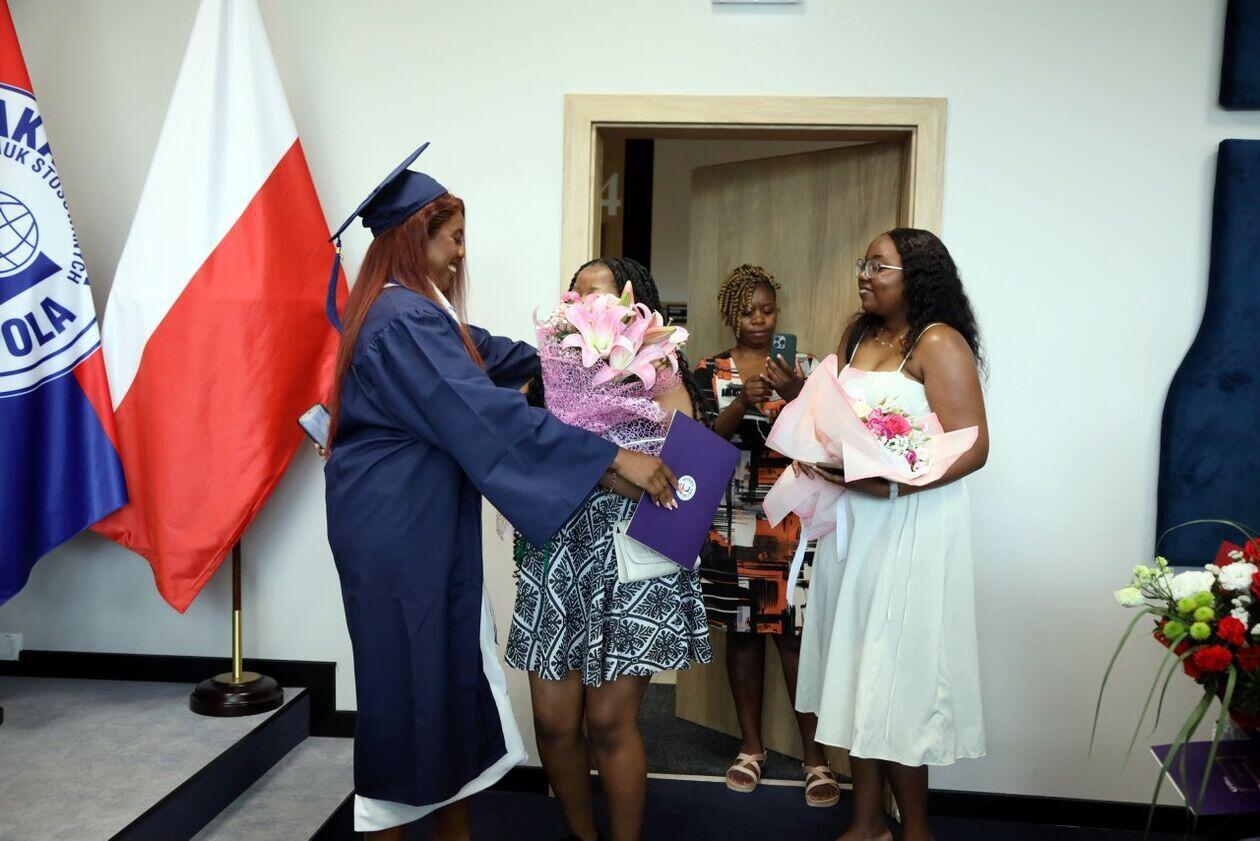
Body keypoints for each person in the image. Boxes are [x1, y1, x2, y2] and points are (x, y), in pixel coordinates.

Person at [323, 147, 678, 841]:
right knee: (407, 687)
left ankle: (447, 821)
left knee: (438, 677)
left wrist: (591, 351)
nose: (462, 254)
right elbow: (485, 415)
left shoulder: (411, 311)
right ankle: (394, 817)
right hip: (400, 529)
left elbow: (498, 356)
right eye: (453, 238)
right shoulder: (401, 319)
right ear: (415, 237)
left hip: (416, 520)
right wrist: (612, 457)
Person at [506, 258, 712, 841]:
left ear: (634, 304)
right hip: (556, 549)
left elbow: (678, 471)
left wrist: (606, 467)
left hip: (631, 550)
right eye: (576, 294)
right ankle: (582, 835)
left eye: (602, 294)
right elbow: (523, 448)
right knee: (552, 721)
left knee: (608, 722)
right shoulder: (545, 368)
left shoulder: (660, 366)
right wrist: (610, 466)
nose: (586, 304)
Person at [794, 228, 988, 841]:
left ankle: (917, 830)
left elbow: (973, 446)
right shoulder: (858, 335)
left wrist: (898, 484)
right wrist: (817, 445)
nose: (865, 274)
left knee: (898, 671)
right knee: (856, 665)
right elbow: (837, 421)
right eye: (864, 263)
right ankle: (867, 821)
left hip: (909, 523)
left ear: (916, 277)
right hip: (854, 523)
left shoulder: (939, 341)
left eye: (879, 266)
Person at [693, 264, 839, 807]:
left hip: (794, 518)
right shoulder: (708, 370)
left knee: (795, 636)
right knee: (744, 633)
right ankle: (751, 747)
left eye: (767, 310)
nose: (758, 320)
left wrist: (798, 393)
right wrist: (740, 403)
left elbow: (832, 440)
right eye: (747, 311)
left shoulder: (807, 369)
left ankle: (815, 757)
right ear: (730, 315)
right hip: (733, 516)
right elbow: (702, 444)